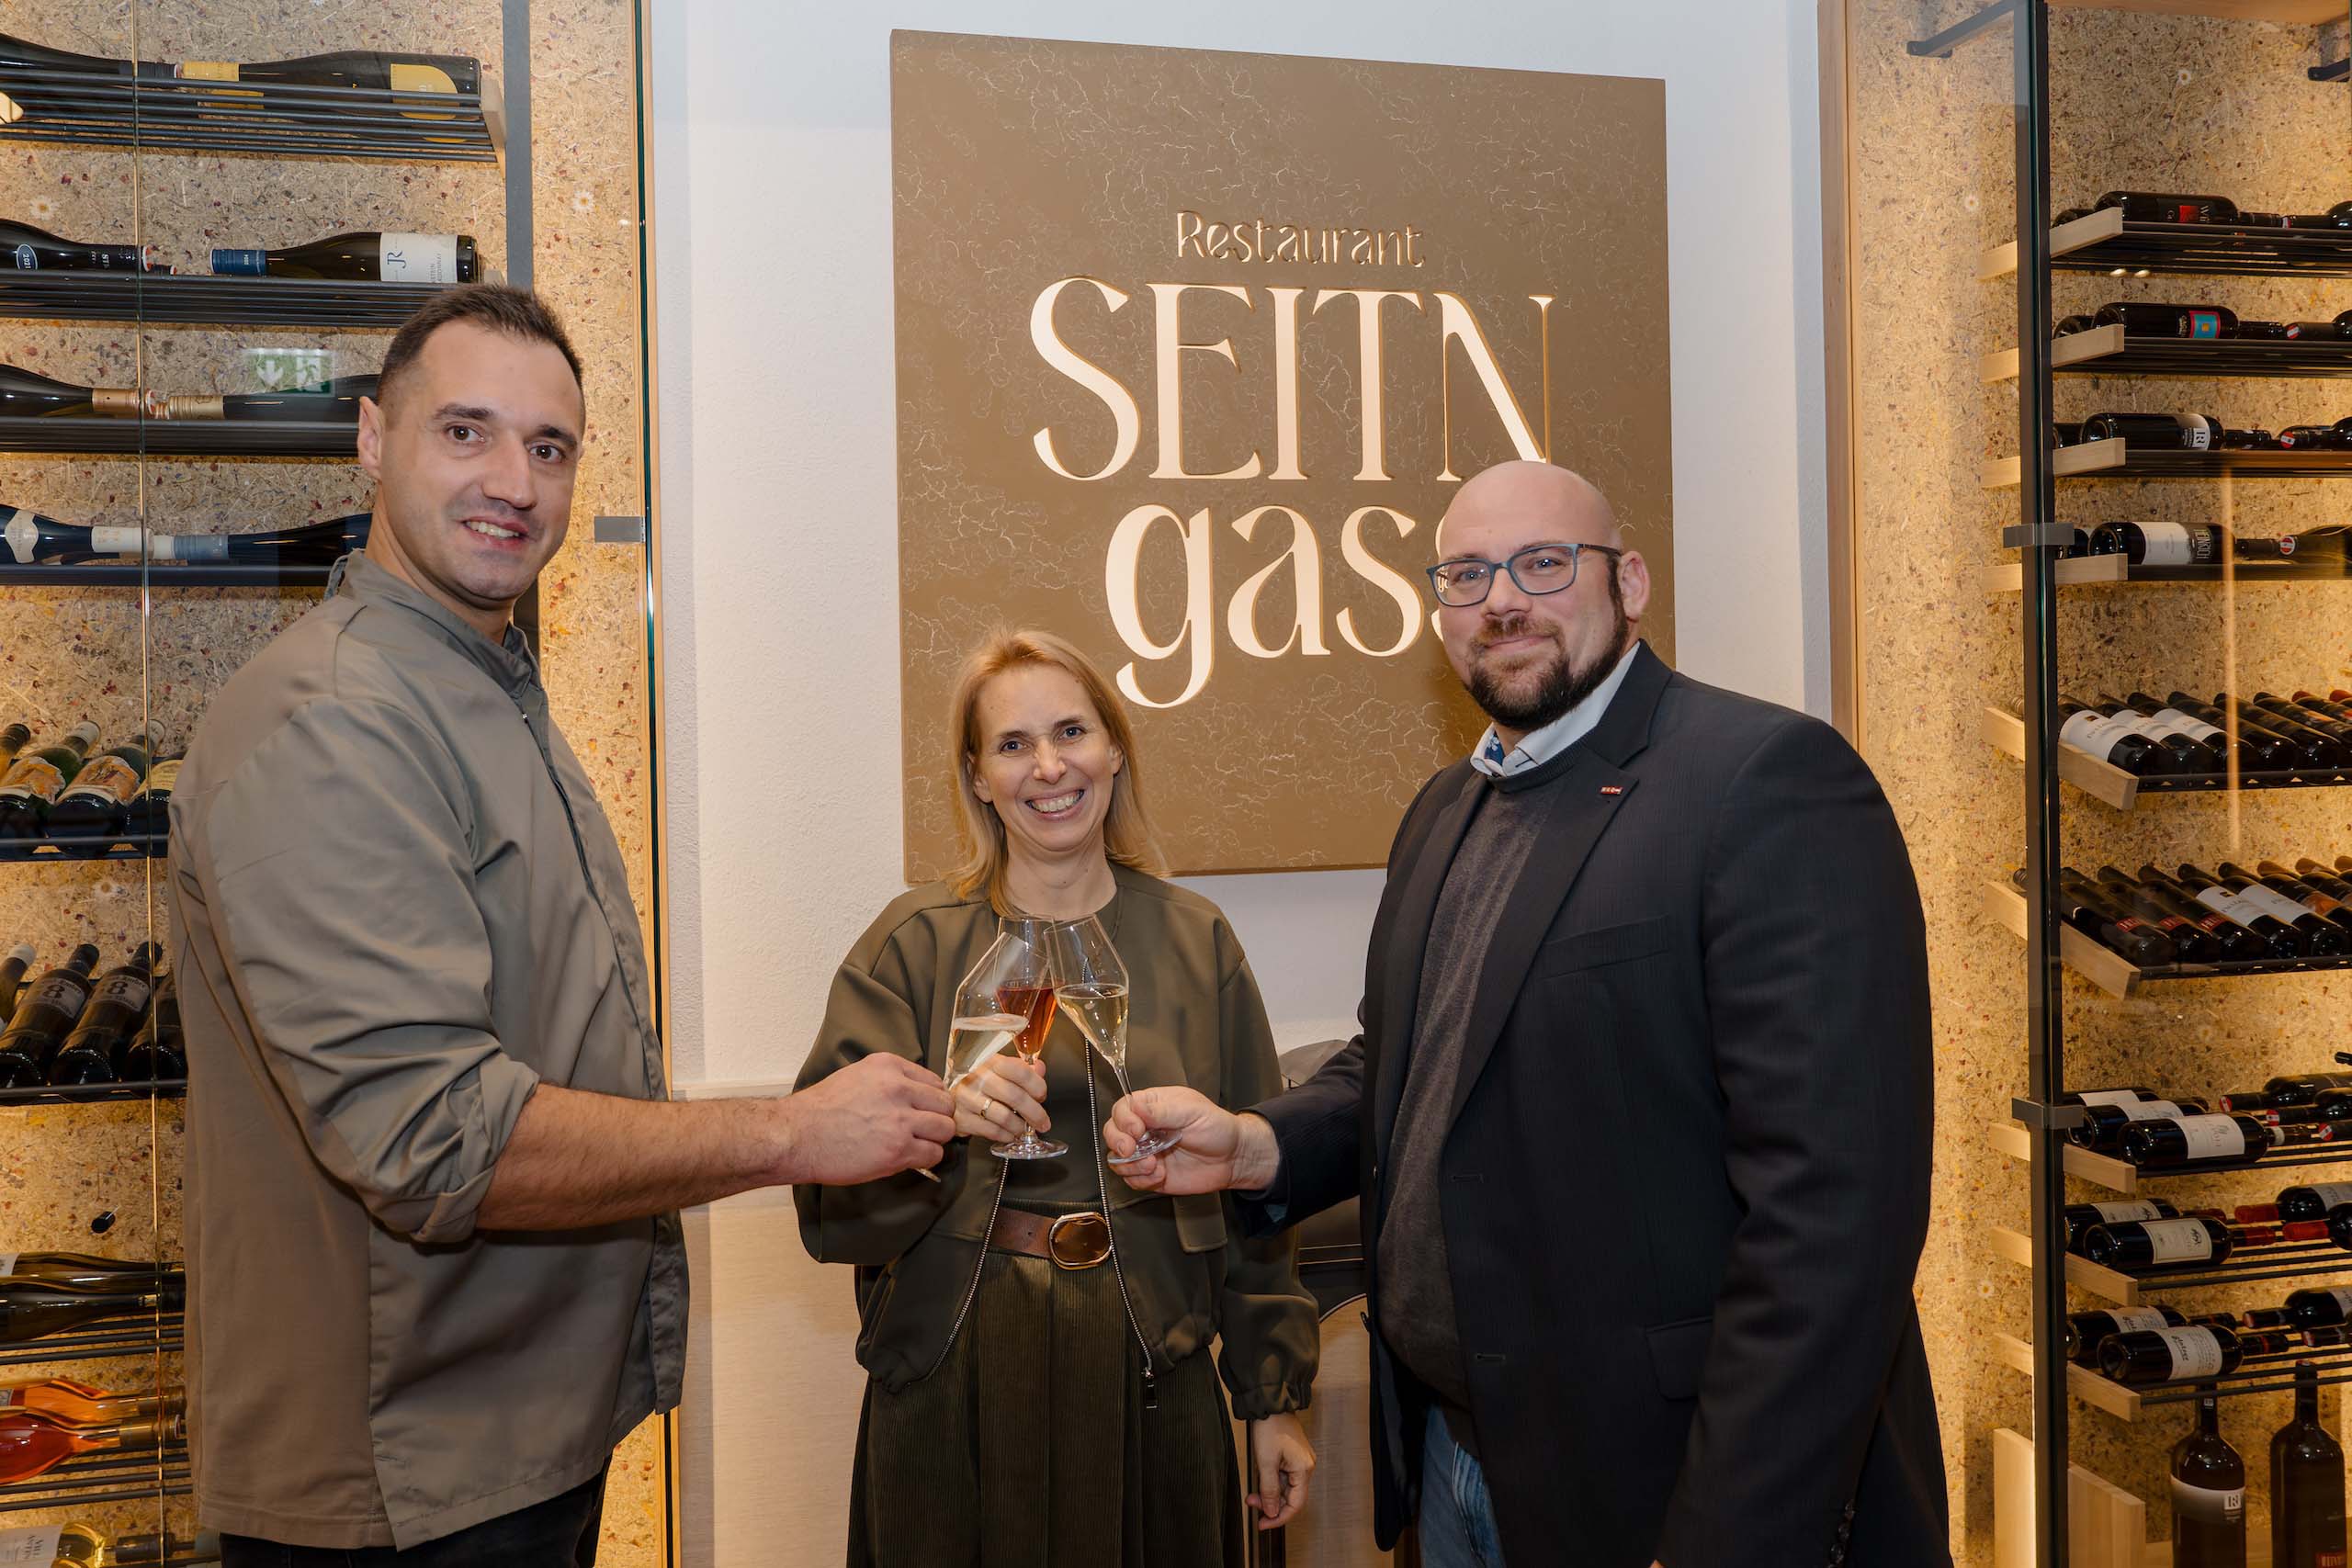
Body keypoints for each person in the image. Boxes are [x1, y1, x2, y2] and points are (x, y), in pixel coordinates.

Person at [169, 285, 956, 1565]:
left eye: (549, 447)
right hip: (404, 1476)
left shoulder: (480, 687)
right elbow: (433, 1136)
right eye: (466, 431)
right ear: (372, 438)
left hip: (497, 1445)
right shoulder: (332, 721)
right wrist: (794, 1133)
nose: (515, 482)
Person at [1106, 461, 1949, 1568]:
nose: (1500, 599)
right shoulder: (1447, 808)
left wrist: (1725, 1538)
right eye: (1463, 575)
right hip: (1455, 1462)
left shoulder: (1763, 780)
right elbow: (1408, 1061)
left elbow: (1835, 1218)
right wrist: (1260, 1144)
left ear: (1629, 582)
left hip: (1664, 1486)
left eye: (1542, 563)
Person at [795, 627, 1320, 1567]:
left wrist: (1271, 1398)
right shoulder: (910, 945)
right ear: (977, 776)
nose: (1049, 767)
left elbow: (1257, 1192)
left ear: (1115, 749)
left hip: (1151, 1358)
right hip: (955, 1362)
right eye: (1012, 744)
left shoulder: (1197, 939)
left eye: (1072, 731)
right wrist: (936, 1125)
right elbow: (828, 1207)